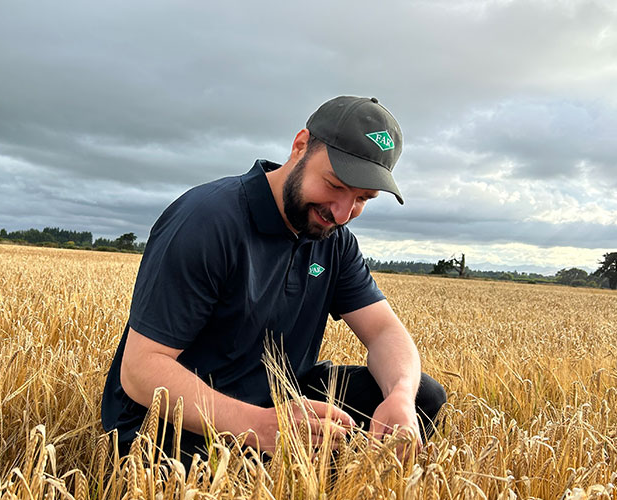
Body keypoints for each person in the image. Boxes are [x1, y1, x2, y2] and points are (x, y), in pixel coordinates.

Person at [101, 96, 446, 466]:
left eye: (363, 198)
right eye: (335, 185)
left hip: (278, 397)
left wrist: (400, 396)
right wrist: (261, 427)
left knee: (424, 396)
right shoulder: (207, 220)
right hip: (180, 418)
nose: (343, 213)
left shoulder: (335, 242)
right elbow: (140, 370)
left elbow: (384, 332)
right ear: (300, 146)